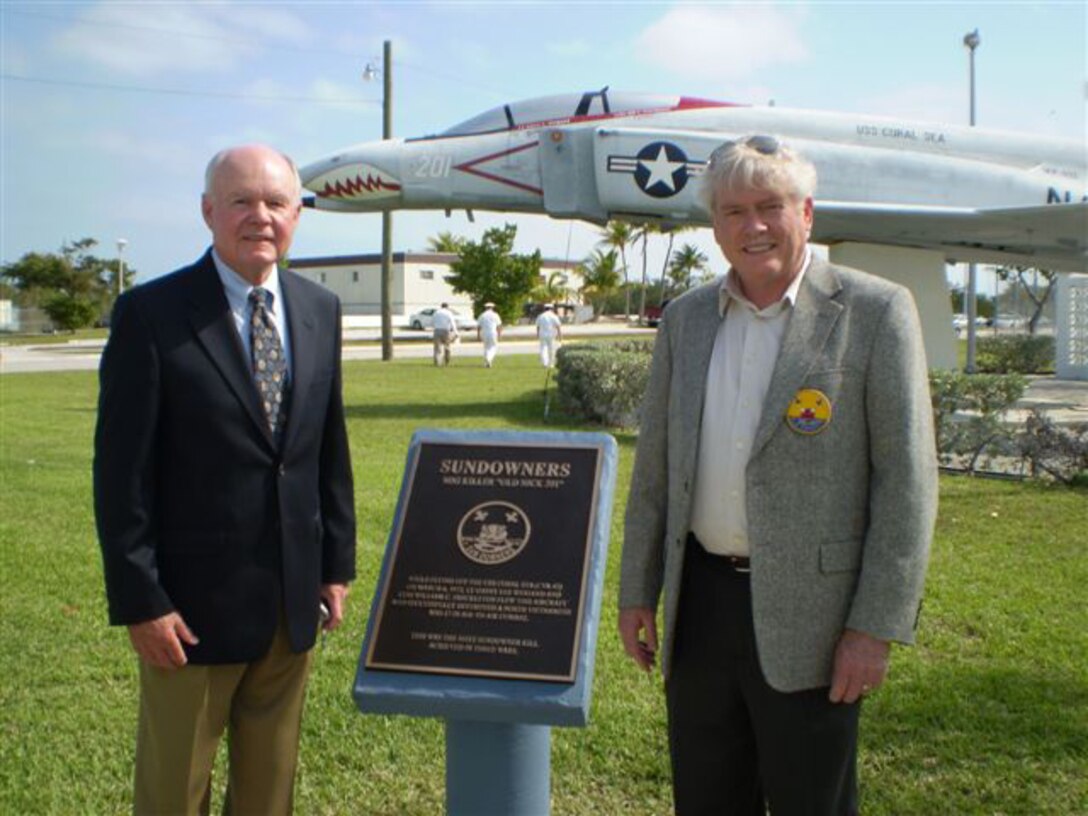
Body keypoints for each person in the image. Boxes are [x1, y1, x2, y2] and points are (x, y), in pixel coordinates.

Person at [618, 135, 937, 815]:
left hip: (816, 622)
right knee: (706, 801)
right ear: (715, 225)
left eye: (770, 206)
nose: (753, 226)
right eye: (733, 211)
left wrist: (873, 627)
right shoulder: (685, 319)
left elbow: (906, 484)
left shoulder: (875, 313)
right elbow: (656, 472)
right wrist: (637, 589)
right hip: (699, 607)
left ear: (807, 214)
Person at [94, 144, 357, 815]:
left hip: (291, 605)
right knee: (173, 792)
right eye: (241, 201)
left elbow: (327, 450)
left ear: (298, 214)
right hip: (189, 616)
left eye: (275, 203)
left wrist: (335, 566)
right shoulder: (151, 315)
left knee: (270, 791)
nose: (259, 216)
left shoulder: (318, 310)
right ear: (208, 212)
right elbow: (120, 475)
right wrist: (142, 600)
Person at [535, 303, 562, 368]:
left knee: (543, 349)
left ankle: (545, 363)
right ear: (552, 309)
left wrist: (537, 334)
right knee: (552, 349)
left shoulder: (540, 316)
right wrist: (560, 335)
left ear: (545, 309)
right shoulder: (554, 316)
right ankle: (551, 364)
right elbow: (558, 326)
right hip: (552, 334)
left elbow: (538, 326)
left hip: (542, 334)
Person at [476, 301, 503, 367]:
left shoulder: (482, 315)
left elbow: (479, 326)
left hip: (484, 333)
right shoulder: (495, 315)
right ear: (492, 308)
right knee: (493, 347)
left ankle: (486, 363)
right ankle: (489, 359)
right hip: (493, 333)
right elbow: (499, 326)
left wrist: (478, 335)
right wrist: (499, 335)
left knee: (486, 347)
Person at [432, 302, 459, 366]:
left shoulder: (436, 313)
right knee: (447, 346)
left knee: (437, 347)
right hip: (446, 330)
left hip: (437, 330)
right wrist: (456, 332)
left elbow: (432, 322)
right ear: (447, 307)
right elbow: (452, 322)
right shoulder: (448, 313)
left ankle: (438, 362)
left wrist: (435, 327)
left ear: (441, 306)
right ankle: (447, 361)